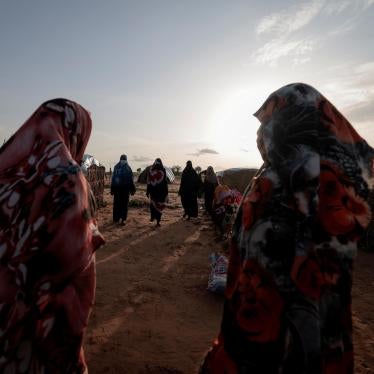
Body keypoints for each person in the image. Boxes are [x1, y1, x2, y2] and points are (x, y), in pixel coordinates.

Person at [200, 83, 374, 373]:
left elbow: (257, 267)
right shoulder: (335, 184)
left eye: (269, 123)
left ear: (288, 123)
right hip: (324, 336)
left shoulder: (274, 183)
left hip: (270, 340)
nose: (260, 134)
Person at [0, 99, 105, 373]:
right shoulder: (68, 180)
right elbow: (70, 278)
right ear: (76, 133)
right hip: (31, 332)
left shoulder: (9, 168)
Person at [110, 154, 136, 225]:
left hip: (122, 189)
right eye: (123, 159)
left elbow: (130, 180)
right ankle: (119, 218)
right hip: (121, 189)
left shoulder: (124, 168)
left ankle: (120, 219)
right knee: (120, 204)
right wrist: (112, 189)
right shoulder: (120, 167)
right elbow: (114, 178)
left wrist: (132, 189)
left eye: (124, 159)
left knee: (121, 204)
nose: (123, 161)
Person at [146, 158, 168, 226]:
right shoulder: (163, 170)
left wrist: (148, 191)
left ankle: (152, 217)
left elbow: (149, 182)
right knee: (159, 205)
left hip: (153, 192)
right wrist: (166, 193)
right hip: (161, 193)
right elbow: (165, 182)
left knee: (153, 205)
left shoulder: (151, 171)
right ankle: (158, 221)